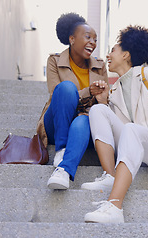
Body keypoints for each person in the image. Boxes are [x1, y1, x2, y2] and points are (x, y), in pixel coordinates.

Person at [81, 25, 148, 223]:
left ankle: (114, 207)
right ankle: (111, 175)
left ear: (126, 55)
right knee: (97, 110)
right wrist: (104, 101)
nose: (108, 55)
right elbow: (120, 131)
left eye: (113, 50)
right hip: (141, 148)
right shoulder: (116, 90)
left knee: (133, 130)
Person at [36, 13, 108, 190]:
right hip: (57, 121)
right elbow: (57, 95)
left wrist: (101, 96)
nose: (93, 42)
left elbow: (105, 102)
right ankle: (61, 149)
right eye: (88, 37)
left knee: (83, 119)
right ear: (72, 39)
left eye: (95, 39)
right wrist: (88, 92)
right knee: (66, 88)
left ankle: (64, 170)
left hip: (84, 124)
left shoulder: (100, 66)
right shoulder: (54, 60)